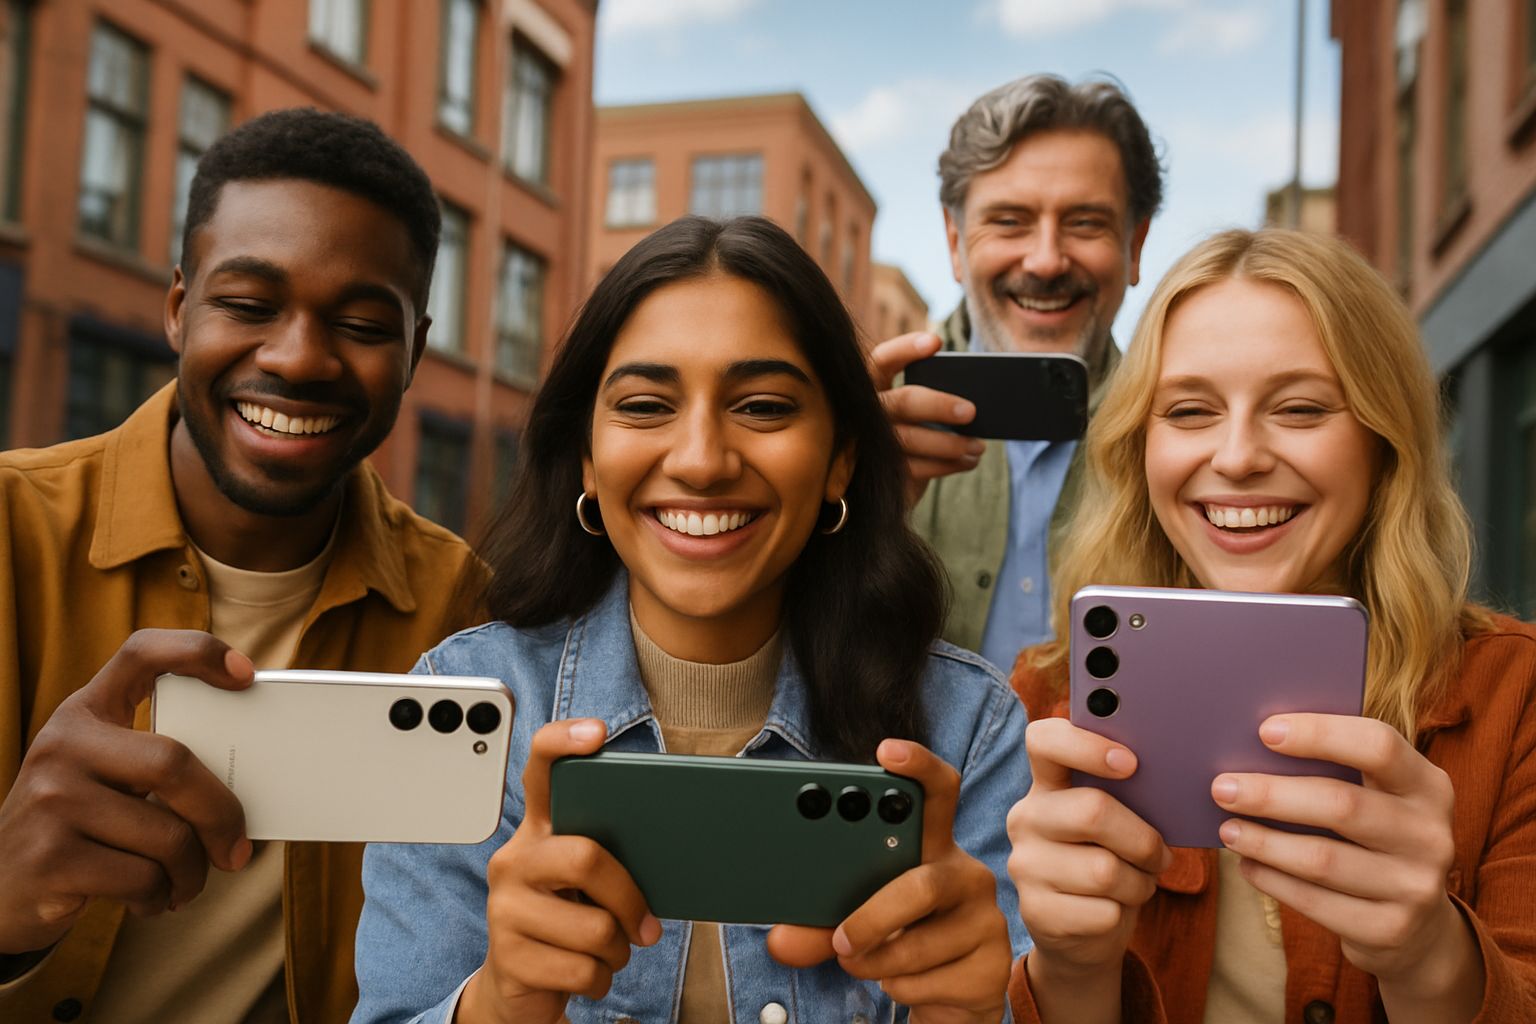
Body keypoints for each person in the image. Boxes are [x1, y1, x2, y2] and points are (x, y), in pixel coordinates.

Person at [351, 216, 1030, 1024]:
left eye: (764, 406)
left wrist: (972, 1013)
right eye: (644, 405)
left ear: (841, 457)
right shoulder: (460, 703)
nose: (702, 460)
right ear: (587, 458)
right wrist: (503, 1001)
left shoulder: (969, 730)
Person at [0, 108, 482, 1023]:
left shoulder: (463, 612)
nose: (298, 358)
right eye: (250, 306)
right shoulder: (10, 533)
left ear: (416, 350)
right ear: (180, 309)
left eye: (361, 322)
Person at [1005, 228, 1536, 1023]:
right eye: (1188, 410)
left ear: (1383, 442)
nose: (1239, 455)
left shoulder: (1513, 691)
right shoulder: (1048, 699)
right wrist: (1072, 969)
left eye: (1299, 407)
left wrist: (1429, 957)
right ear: (1139, 448)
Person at [872, 73, 1162, 670]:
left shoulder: (1183, 434)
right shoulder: (861, 423)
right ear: (955, 243)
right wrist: (846, 509)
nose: (1046, 260)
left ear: (1135, 247)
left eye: (1085, 222)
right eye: (1009, 221)